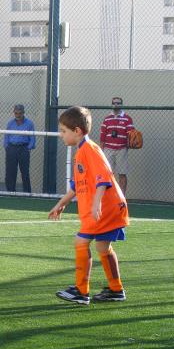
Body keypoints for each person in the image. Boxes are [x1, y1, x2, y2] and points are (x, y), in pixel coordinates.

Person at [48, 106, 129, 306]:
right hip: (107, 208)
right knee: (102, 246)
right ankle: (116, 289)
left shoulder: (90, 149)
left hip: (104, 209)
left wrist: (96, 203)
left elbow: (103, 177)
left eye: (63, 131)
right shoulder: (81, 153)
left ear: (77, 131)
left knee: (80, 242)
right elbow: (76, 187)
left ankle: (81, 291)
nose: (61, 135)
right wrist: (60, 204)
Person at [99, 97, 135, 194]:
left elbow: (131, 135)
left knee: (122, 174)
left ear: (121, 105)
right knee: (107, 174)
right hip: (108, 149)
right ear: (111, 104)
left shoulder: (127, 119)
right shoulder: (107, 119)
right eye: (114, 103)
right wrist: (101, 152)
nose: (116, 105)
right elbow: (102, 136)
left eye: (118, 103)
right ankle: (109, 196)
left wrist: (130, 142)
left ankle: (122, 197)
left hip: (122, 149)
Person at [4, 104, 36, 193]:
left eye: (20, 113)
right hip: (11, 148)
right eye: (16, 113)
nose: (18, 115)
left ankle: (27, 192)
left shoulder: (29, 123)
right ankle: (10, 191)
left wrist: (29, 148)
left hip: (23, 148)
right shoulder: (10, 123)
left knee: (25, 171)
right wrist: (7, 147)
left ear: (23, 112)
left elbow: (32, 138)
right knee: (10, 171)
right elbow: (6, 136)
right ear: (14, 113)